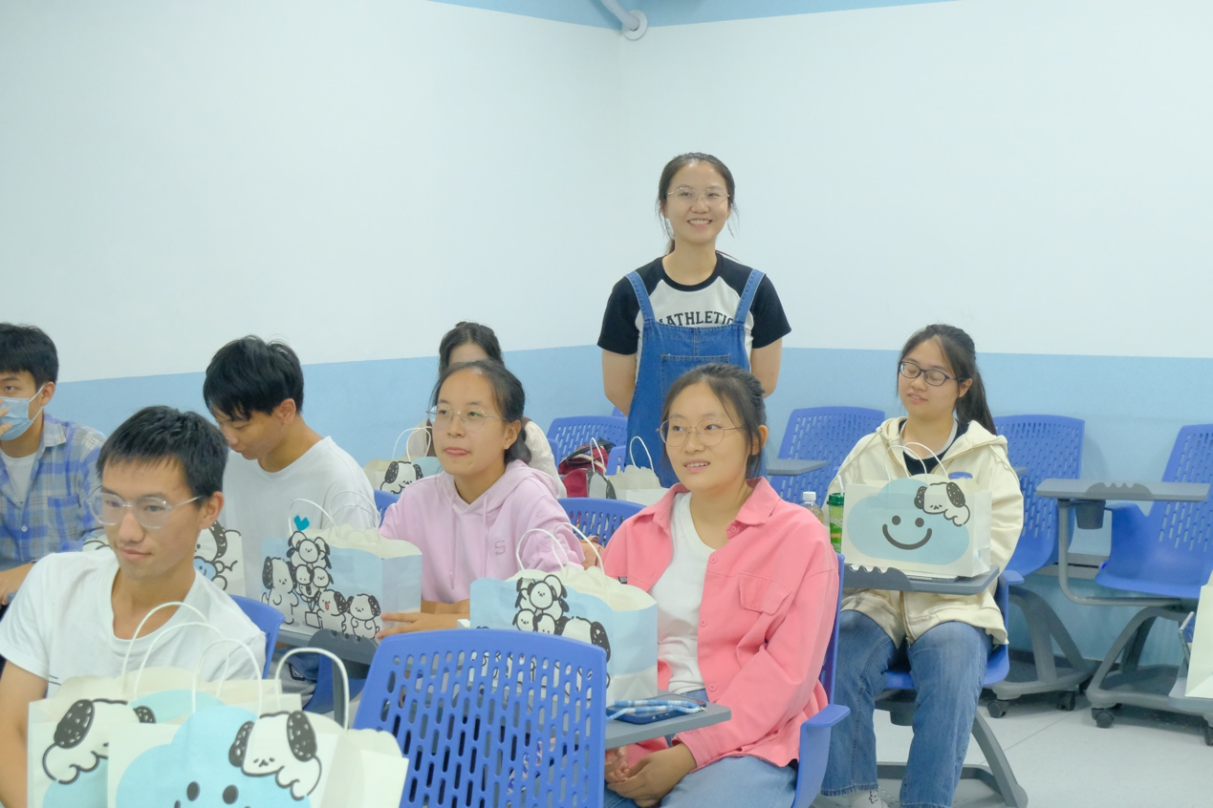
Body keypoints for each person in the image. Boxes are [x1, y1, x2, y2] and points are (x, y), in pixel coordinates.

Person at [0, 406, 266, 808]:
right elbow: (10, 729)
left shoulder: (230, 645)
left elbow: (204, 788)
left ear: (209, 510)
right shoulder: (53, 582)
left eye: (152, 508)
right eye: (111, 503)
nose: (126, 531)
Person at [601, 363, 838, 808]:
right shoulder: (635, 533)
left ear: (755, 440)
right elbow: (604, 651)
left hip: (750, 733)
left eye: (711, 427)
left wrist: (689, 753)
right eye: (677, 428)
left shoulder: (799, 538)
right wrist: (608, 744)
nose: (691, 443)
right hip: (638, 722)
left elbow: (786, 675)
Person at [822, 324, 1023, 808]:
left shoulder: (986, 458)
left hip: (953, 605)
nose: (917, 383)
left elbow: (999, 538)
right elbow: (835, 521)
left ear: (963, 386)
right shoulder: (870, 450)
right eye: (910, 369)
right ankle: (854, 796)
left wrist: (955, 564)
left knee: (953, 663)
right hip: (875, 599)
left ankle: (926, 801)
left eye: (935, 375)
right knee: (841, 650)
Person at [598, 153, 791, 485]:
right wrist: (675, 431)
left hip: (732, 461)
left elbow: (764, 383)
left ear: (728, 205)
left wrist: (709, 432)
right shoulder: (631, 292)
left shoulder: (755, 289)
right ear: (663, 206)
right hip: (654, 461)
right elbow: (617, 388)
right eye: (685, 194)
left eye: (712, 194)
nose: (699, 206)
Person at [378, 360, 583, 634]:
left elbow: (560, 608)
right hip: (419, 659)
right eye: (444, 412)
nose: (454, 428)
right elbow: (375, 591)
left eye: (473, 414)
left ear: (509, 434)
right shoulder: (415, 501)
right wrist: (451, 610)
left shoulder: (532, 503)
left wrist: (448, 620)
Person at [203, 336, 377, 545]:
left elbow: (355, 565)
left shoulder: (341, 482)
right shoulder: (230, 467)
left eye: (240, 426)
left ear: (285, 411)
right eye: (220, 423)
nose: (229, 439)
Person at [0, 324, 105, 605]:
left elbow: (108, 541)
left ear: (44, 394)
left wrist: (37, 571)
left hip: (68, 604)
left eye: (8, 388)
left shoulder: (87, 450)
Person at [403, 321, 564, 493]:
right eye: (458, 370)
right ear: (443, 374)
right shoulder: (423, 435)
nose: (470, 379)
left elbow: (556, 496)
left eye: (481, 368)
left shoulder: (527, 433)